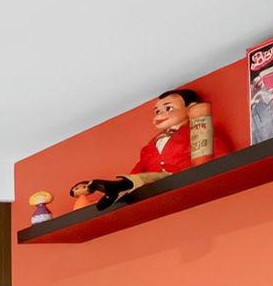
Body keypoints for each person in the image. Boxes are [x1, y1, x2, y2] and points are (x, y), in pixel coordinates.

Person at [70, 88, 205, 207]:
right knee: (141, 179)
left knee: (144, 179)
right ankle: (119, 187)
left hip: (183, 175)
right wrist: (127, 179)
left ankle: (117, 188)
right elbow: (141, 165)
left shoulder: (198, 131)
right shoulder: (153, 143)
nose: (159, 115)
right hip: (154, 182)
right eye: (157, 111)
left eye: (168, 108)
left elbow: (211, 151)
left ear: (191, 107)